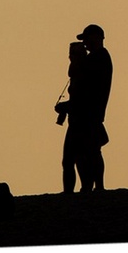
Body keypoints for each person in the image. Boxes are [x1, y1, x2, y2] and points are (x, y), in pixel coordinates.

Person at [68, 23, 113, 192]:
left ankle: (95, 186)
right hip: (88, 112)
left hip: (89, 113)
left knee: (90, 151)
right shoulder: (97, 57)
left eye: (87, 38)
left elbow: (82, 80)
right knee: (86, 151)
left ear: (97, 37)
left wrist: (77, 60)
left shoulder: (99, 57)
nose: (85, 43)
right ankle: (90, 185)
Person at [57, 41, 88, 193]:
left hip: (80, 123)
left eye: (73, 54)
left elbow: (81, 101)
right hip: (76, 121)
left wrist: (64, 107)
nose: (70, 57)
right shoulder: (77, 75)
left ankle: (79, 190)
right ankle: (78, 189)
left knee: (73, 159)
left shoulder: (82, 76)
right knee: (74, 159)